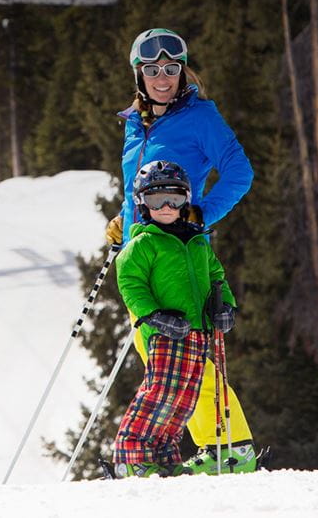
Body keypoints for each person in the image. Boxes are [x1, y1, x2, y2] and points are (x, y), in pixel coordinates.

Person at [105, 28, 258, 473]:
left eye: (171, 69)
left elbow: (239, 172)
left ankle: (230, 447)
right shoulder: (136, 122)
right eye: (152, 70)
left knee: (184, 356)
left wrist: (200, 214)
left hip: (179, 256)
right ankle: (165, 450)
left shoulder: (200, 117)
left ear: (183, 71)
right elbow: (140, 186)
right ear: (139, 74)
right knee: (161, 360)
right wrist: (124, 219)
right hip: (143, 253)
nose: (162, 78)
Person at [112, 161, 238, 477]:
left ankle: (164, 455)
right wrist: (154, 316)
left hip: (198, 332)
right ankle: (133, 456)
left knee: (185, 398)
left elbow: (217, 276)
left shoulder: (197, 242)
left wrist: (225, 307)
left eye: (175, 199)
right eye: (157, 200)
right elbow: (131, 284)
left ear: (186, 201)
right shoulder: (142, 244)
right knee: (162, 392)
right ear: (142, 203)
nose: (166, 207)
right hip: (167, 331)